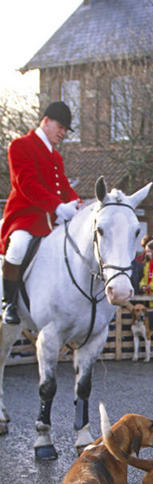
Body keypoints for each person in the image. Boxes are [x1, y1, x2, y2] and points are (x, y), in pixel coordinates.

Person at [0, 101, 80, 324]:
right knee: (16, 248)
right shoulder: (19, 145)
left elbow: (64, 187)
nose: (63, 133)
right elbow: (27, 184)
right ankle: (10, 304)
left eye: (65, 129)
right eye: (61, 128)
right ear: (46, 122)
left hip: (51, 218)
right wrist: (57, 206)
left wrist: (78, 205)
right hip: (24, 216)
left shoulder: (56, 156)